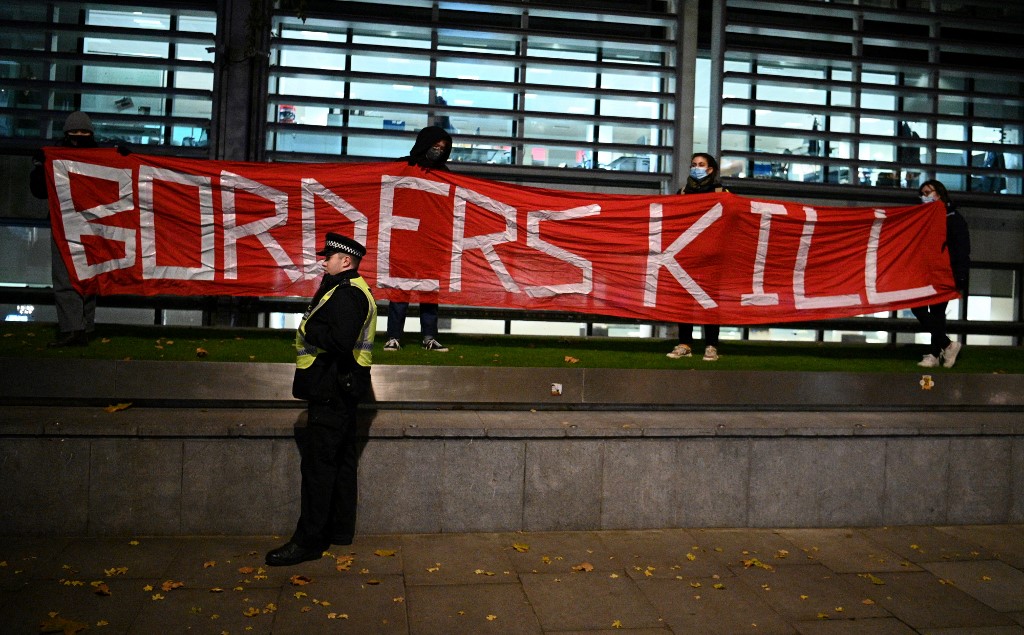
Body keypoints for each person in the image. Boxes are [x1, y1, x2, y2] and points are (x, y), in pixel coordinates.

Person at [266, 232, 376, 567]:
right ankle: (338, 532)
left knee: (318, 469)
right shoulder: (350, 290)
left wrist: (310, 330)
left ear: (345, 261)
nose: (322, 261)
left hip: (331, 390)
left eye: (328, 257)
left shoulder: (347, 294)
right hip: (340, 390)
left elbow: (340, 341)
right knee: (340, 464)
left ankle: (308, 542)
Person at [29, 111, 100, 348]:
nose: (79, 137)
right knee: (69, 277)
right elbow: (39, 190)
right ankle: (77, 328)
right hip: (71, 224)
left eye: (83, 133)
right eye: (75, 133)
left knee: (84, 277)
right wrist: (41, 167)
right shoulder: (59, 156)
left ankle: (79, 328)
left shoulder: (100, 156)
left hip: (88, 224)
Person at [383, 125, 452, 353]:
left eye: (443, 148)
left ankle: (429, 337)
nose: (438, 151)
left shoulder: (446, 174)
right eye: (435, 146)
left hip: (431, 244)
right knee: (399, 292)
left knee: (430, 293)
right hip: (403, 240)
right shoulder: (402, 167)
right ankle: (393, 336)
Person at [666, 153, 726, 362]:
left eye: (701, 165)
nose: (696, 168)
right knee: (685, 300)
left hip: (712, 256)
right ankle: (685, 343)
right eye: (693, 165)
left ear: (711, 169)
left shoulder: (723, 193)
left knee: (709, 300)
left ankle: (711, 345)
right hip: (686, 255)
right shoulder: (682, 193)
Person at [911, 179, 971, 369]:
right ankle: (947, 346)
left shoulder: (953, 218)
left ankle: (935, 354)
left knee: (936, 313)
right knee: (919, 308)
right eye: (923, 193)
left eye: (929, 192)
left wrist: (959, 275)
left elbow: (962, 249)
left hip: (945, 273)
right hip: (927, 272)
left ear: (940, 193)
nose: (925, 196)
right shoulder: (924, 217)